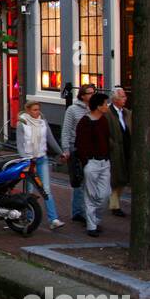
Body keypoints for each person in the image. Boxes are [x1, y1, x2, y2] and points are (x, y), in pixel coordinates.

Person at [16, 99, 66, 229]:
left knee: (46, 189)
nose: (38, 112)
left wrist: (61, 152)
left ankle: (53, 219)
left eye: (39, 109)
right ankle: (29, 217)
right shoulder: (22, 123)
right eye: (35, 110)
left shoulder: (43, 122)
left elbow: (50, 138)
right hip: (29, 160)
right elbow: (20, 144)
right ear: (28, 110)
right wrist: (25, 159)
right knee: (30, 190)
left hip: (42, 158)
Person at [75, 92, 112, 237]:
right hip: (92, 163)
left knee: (105, 194)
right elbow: (81, 144)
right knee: (90, 194)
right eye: (105, 103)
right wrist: (87, 161)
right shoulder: (85, 122)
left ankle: (95, 218)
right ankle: (91, 225)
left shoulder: (104, 120)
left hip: (105, 161)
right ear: (98, 106)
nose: (107, 106)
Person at [61, 84, 95, 224]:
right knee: (79, 181)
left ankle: (81, 211)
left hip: (92, 150)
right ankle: (78, 212)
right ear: (82, 95)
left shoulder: (95, 109)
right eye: (89, 93)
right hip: (77, 149)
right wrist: (66, 149)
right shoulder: (72, 110)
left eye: (94, 92)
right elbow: (66, 130)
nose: (92, 95)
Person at [106, 87, 131, 217]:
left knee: (124, 176)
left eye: (125, 96)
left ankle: (115, 202)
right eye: (122, 97)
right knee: (116, 177)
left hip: (126, 149)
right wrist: (112, 145)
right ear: (114, 99)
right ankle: (114, 205)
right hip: (115, 150)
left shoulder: (126, 113)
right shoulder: (108, 113)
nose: (125, 99)